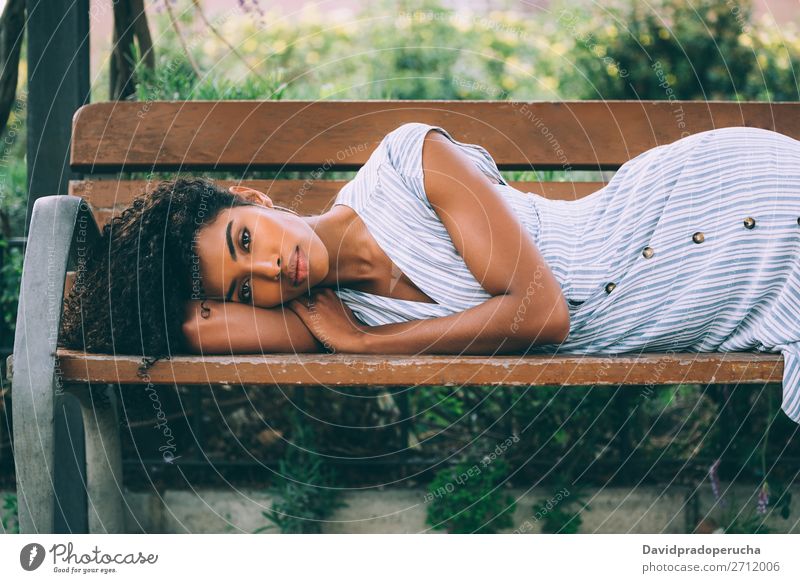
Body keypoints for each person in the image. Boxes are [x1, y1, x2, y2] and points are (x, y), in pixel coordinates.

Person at [59, 122, 800, 423]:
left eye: (246, 236)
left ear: (255, 199)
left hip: (719, 211)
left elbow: (542, 314)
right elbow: (179, 324)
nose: (269, 266)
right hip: (720, 297)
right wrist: (113, 277)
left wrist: (364, 351)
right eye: (246, 284)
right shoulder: (324, 313)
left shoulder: (406, 163)